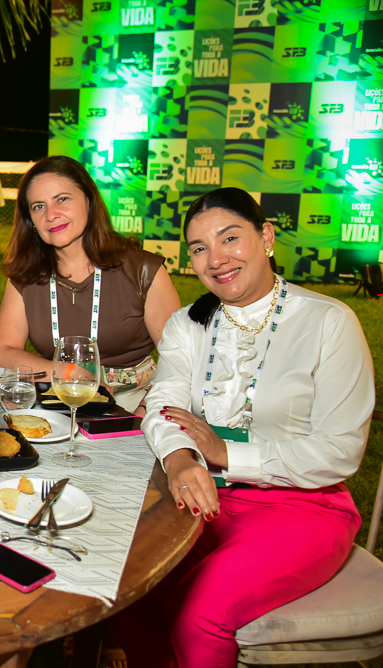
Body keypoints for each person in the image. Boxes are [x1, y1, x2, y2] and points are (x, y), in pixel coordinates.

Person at [112, 187, 373, 667]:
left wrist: (225, 453)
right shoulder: (189, 324)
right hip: (205, 498)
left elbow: (340, 451)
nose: (216, 258)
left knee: (200, 614)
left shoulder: (328, 322)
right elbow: (164, 404)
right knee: (128, 591)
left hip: (304, 505)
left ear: (266, 236)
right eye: (199, 248)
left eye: (230, 238)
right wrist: (179, 457)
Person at [0, 156, 181, 414]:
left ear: (89, 201)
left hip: (137, 402)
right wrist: (70, 372)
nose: (51, 215)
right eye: (38, 206)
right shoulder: (27, 276)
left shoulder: (142, 270)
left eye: (62, 199)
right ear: (30, 221)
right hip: (60, 400)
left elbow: (179, 360)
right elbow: (2, 350)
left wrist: (146, 410)